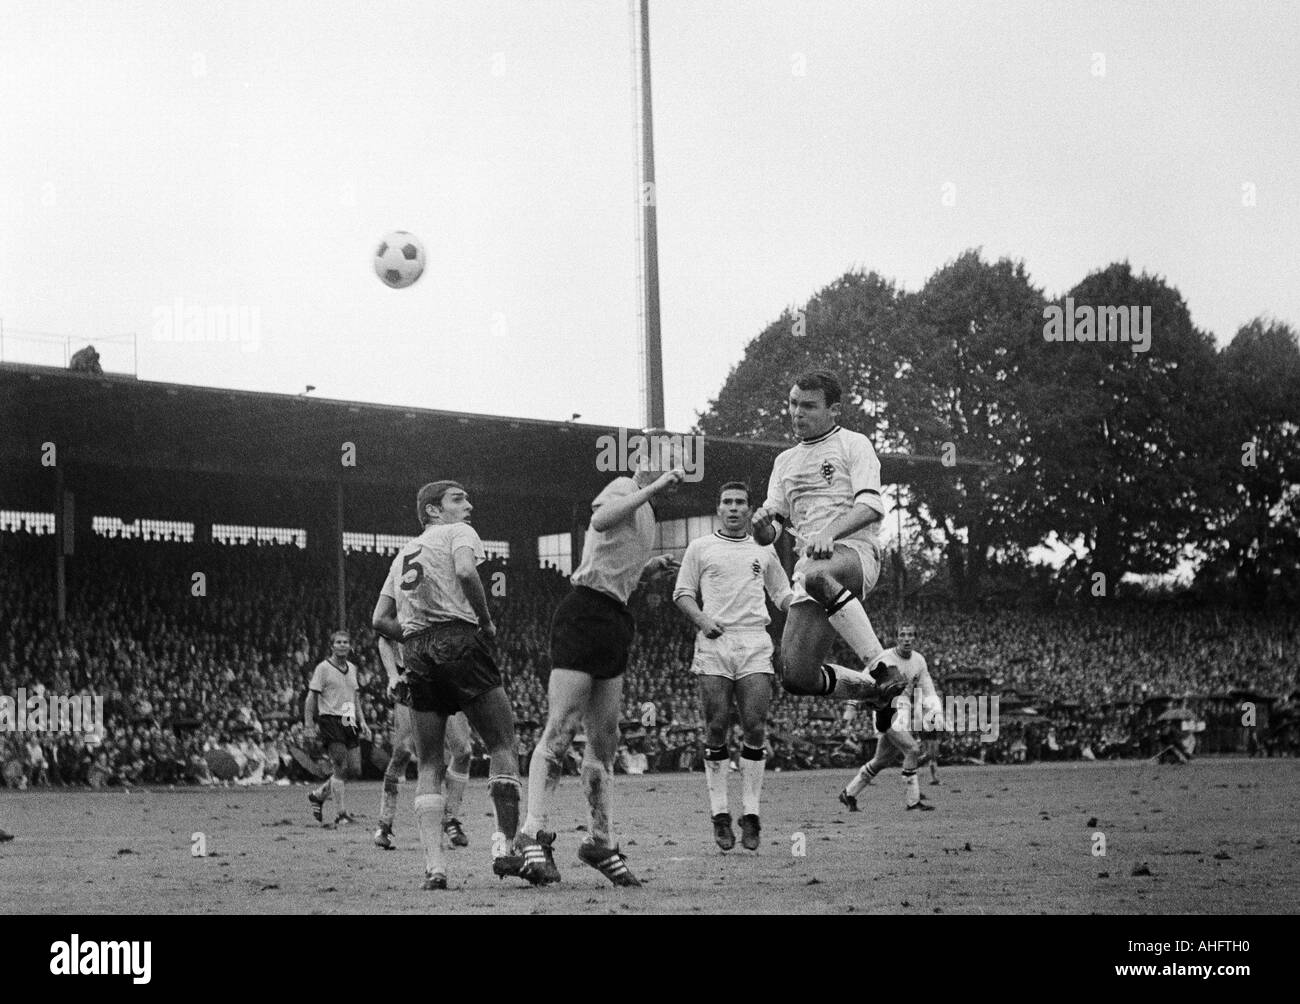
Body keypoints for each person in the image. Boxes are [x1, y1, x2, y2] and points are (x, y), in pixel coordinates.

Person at [516, 454, 685, 887]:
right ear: (644, 464)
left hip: (615, 617)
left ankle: (600, 841)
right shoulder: (623, 489)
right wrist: (650, 487)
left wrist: (648, 570)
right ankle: (532, 831)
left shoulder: (646, 512)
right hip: (584, 611)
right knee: (562, 726)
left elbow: (613, 564)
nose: (672, 472)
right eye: (665, 463)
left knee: (605, 741)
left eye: (677, 467)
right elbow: (602, 523)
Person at [371, 480, 525, 891]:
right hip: (459, 640)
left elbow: (379, 620)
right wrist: (486, 620)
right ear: (433, 511)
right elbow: (463, 570)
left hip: (418, 652)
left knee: (428, 764)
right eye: (459, 499)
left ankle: (435, 869)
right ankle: (504, 849)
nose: (469, 505)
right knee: (502, 744)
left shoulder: (403, 553)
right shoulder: (460, 533)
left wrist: (415, 636)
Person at [750, 371, 905, 712]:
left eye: (808, 406)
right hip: (812, 569)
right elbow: (773, 528)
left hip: (855, 553)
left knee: (818, 575)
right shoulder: (784, 462)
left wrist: (830, 533)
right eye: (792, 404)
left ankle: (882, 667)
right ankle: (873, 693)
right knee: (796, 676)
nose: (796, 413)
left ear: (834, 410)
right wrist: (762, 527)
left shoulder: (854, 444)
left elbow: (869, 506)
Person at [674, 481, 792, 851]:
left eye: (741, 502)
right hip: (715, 641)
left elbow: (782, 594)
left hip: (755, 640)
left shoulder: (765, 548)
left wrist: (807, 607)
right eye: (728, 502)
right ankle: (720, 814)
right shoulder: (700, 547)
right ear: (719, 508)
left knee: (755, 725)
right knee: (716, 725)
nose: (735, 508)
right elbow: (682, 594)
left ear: (749, 508)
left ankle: (751, 815)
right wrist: (703, 620)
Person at [372, 635, 483, 853]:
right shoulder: (404, 603)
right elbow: (384, 637)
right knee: (402, 752)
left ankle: (451, 819)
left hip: (447, 681)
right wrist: (393, 675)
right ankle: (385, 824)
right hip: (412, 680)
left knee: (463, 751)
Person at [839, 624, 940, 812]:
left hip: (904, 711)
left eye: (911, 635)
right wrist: (851, 709)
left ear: (915, 638)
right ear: (897, 638)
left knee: (881, 761)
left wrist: (935, 708)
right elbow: (859, 680)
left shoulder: (919, 660)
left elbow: (927, 686)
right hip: (886, 710)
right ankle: (913, 801)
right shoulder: (884, 658)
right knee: (912, 749)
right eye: (903, 635)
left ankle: (849, 793)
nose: (907, 638)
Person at [305, 630, 371, 826]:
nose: (342, 645)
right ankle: (341, 813)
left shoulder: (352, 668)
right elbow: (311, 697)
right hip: (331, 718)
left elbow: (355, 697)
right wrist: (309, 723)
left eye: (345, 642)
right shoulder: (323, 668)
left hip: (348, 717)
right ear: (332, 646)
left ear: (350, 646)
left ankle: (318, 795)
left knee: (355, 768)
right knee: (340, 766)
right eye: (338, 642)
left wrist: (363, 722)